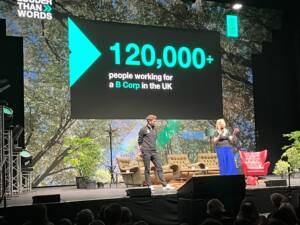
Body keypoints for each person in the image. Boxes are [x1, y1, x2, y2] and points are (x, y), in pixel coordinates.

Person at [138, 114, 174, 190]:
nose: (155, 122)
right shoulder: (143, 129)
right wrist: (142, 151)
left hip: (154, 151)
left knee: (159, 167)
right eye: (154, 121)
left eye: (155, 121)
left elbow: (153, 140)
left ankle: (164, 185)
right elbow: (140, 141)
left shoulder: (154, 129)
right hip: (146, 151)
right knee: (147, 169)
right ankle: (149, 185)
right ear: (149, 121)